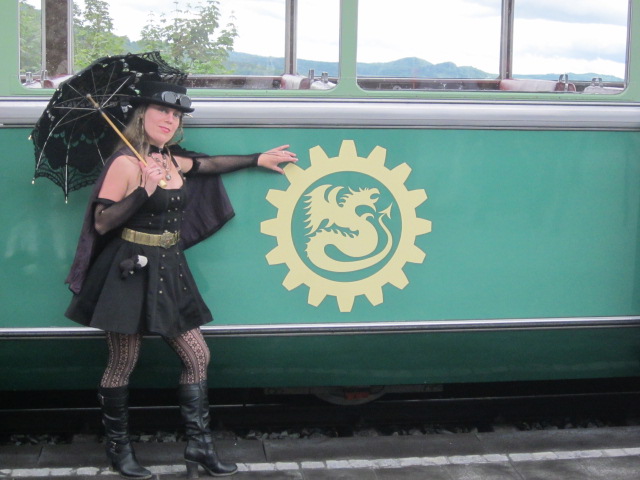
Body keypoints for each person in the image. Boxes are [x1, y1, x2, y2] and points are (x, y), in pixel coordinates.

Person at [64, 79, 297, 479]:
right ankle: (119, 451)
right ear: (142, 114)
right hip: (128, 272)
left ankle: (199, 448)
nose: (170, 120)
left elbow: (207, 166)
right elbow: (101, 223)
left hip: (169, 267)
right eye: (162, 111)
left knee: (197, 355)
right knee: (123, 361)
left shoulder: (170, 159)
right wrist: (143, 189)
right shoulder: (125, 163)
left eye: (176, 115)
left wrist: (256, 158)